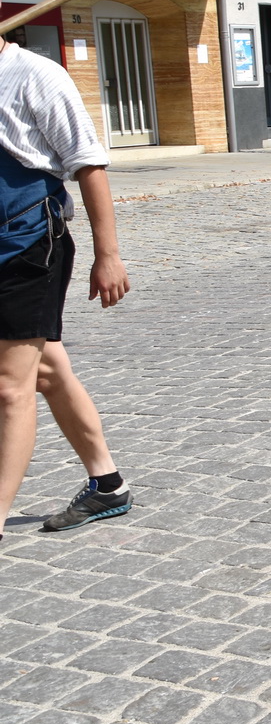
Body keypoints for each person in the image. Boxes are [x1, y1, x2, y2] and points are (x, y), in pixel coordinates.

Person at [0, 32, 132, 544]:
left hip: (30, 245)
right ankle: (108, 484)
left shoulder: (37, 75)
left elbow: (88, 163)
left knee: (11, 387)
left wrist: (108, 254)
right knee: (48, 368)